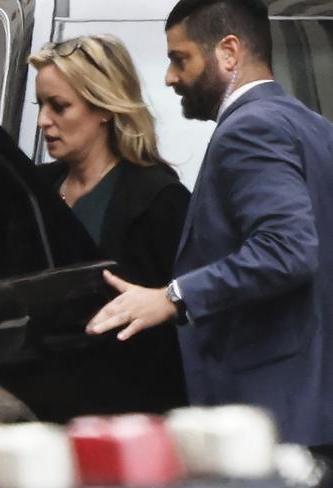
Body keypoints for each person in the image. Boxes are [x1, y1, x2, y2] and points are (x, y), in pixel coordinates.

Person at [86, 0, 333, 451]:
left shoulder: (250, 129)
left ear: (229, 52)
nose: (170, 77)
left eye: (181, 59)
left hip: (270, 420)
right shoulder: (313, 126)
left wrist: (173, 297)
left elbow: (287, 250)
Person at [28, 35, 190, 418]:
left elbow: (194, 310)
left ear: (103, 107)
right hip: (42, 408)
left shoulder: (159, 200)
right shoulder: (34, 188)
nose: (43, 121)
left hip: (128, 415)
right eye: (41, 106)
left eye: (59, 107)